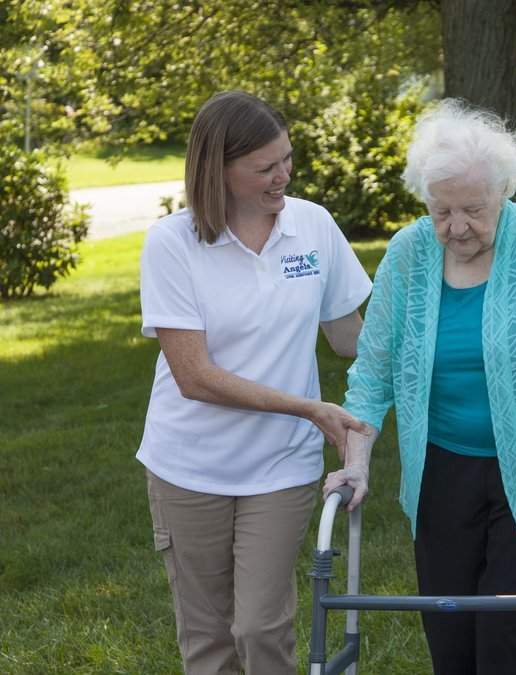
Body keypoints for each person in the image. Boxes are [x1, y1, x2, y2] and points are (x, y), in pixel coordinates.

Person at [324, 99, 516, 674]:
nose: (456, 226)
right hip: (440, 474)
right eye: (441, 210)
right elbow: (371, 375)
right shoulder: (409, 253)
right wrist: (356, 462)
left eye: (473, 209)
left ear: (504, 194)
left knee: (514, 642)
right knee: (453, 642)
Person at [137, 90, 372, 675]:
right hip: (188, 466)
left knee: (261, 628)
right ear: (218, 169)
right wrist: (307, 407)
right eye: (265, 167)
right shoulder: (173, 242)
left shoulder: (312, 225)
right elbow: (194, 377)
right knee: (209, 637)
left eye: (286, 159)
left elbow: (352, 338)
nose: (283, 175)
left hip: (280, 463)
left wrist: (451, 354)